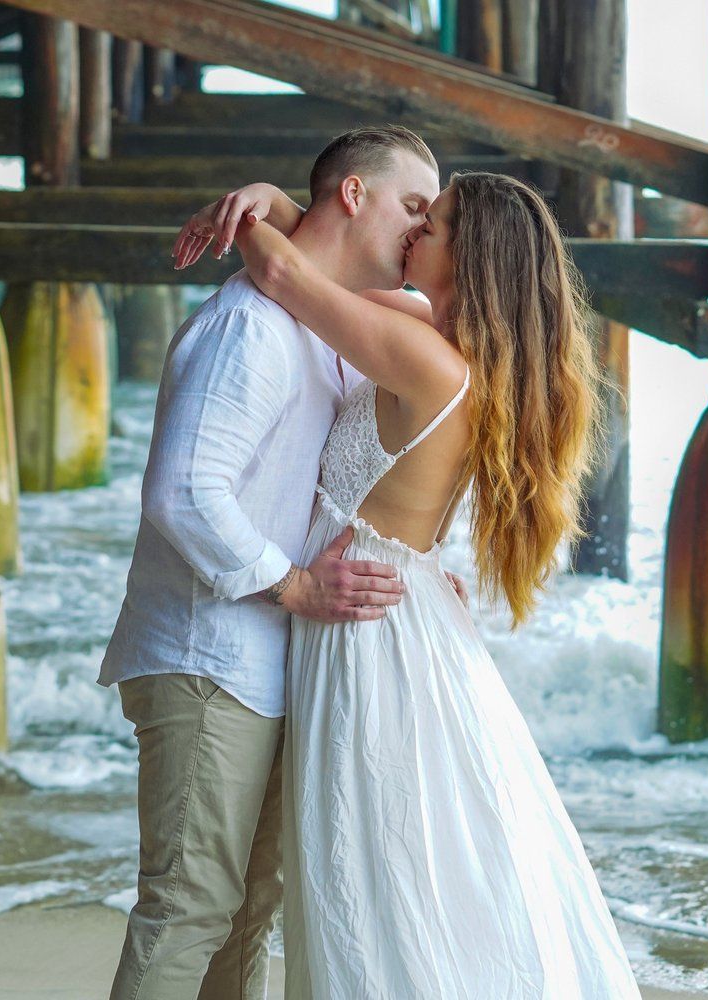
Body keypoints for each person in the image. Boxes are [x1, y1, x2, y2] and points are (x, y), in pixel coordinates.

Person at [173, 171, 643, 998]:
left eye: (438, 221)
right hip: (401, 598)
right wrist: (279, 204)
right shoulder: (447, 343)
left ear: (471, 256)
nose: (417, 229)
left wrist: (241, 212)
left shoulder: (424, 356)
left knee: (373, 869)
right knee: (400, 863)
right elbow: (325, 266)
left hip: (363, 625)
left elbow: (285, 278)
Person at [98, 126, 443, 1000]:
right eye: (412, 206)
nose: (422, 228)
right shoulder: (250, 327)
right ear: (356, 196)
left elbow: (445, 320)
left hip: (264, 663)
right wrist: (293, 584)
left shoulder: (321, 321)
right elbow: (181, 490)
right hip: (206, 658)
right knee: (188, 907)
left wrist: (279, 209)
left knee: (249, 910)